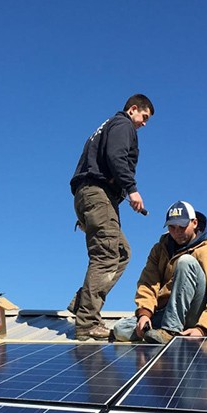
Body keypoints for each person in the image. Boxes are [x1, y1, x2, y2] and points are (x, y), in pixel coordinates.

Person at [68, 94, 154, 341]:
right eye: (144, 117)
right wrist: (131, 189)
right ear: (133, 109)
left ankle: (83, 302)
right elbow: (116, 156)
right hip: (98, 195)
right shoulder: (123, 125)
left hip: (88, 195)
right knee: (106, 256)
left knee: (122, 252)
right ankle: (87, 323)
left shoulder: (107, 126)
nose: (144, 123)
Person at [113, 200, 207, 344]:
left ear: (194, 223)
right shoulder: (159, 249)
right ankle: (158, 331)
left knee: (185, 261)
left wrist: (203, 329)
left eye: (182, 227)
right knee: (120, 329)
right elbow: (148, 283)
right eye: (172, 227)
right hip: (166, 312)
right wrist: (144, 314)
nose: (177, 232)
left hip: (195, 314)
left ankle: (171, 331)